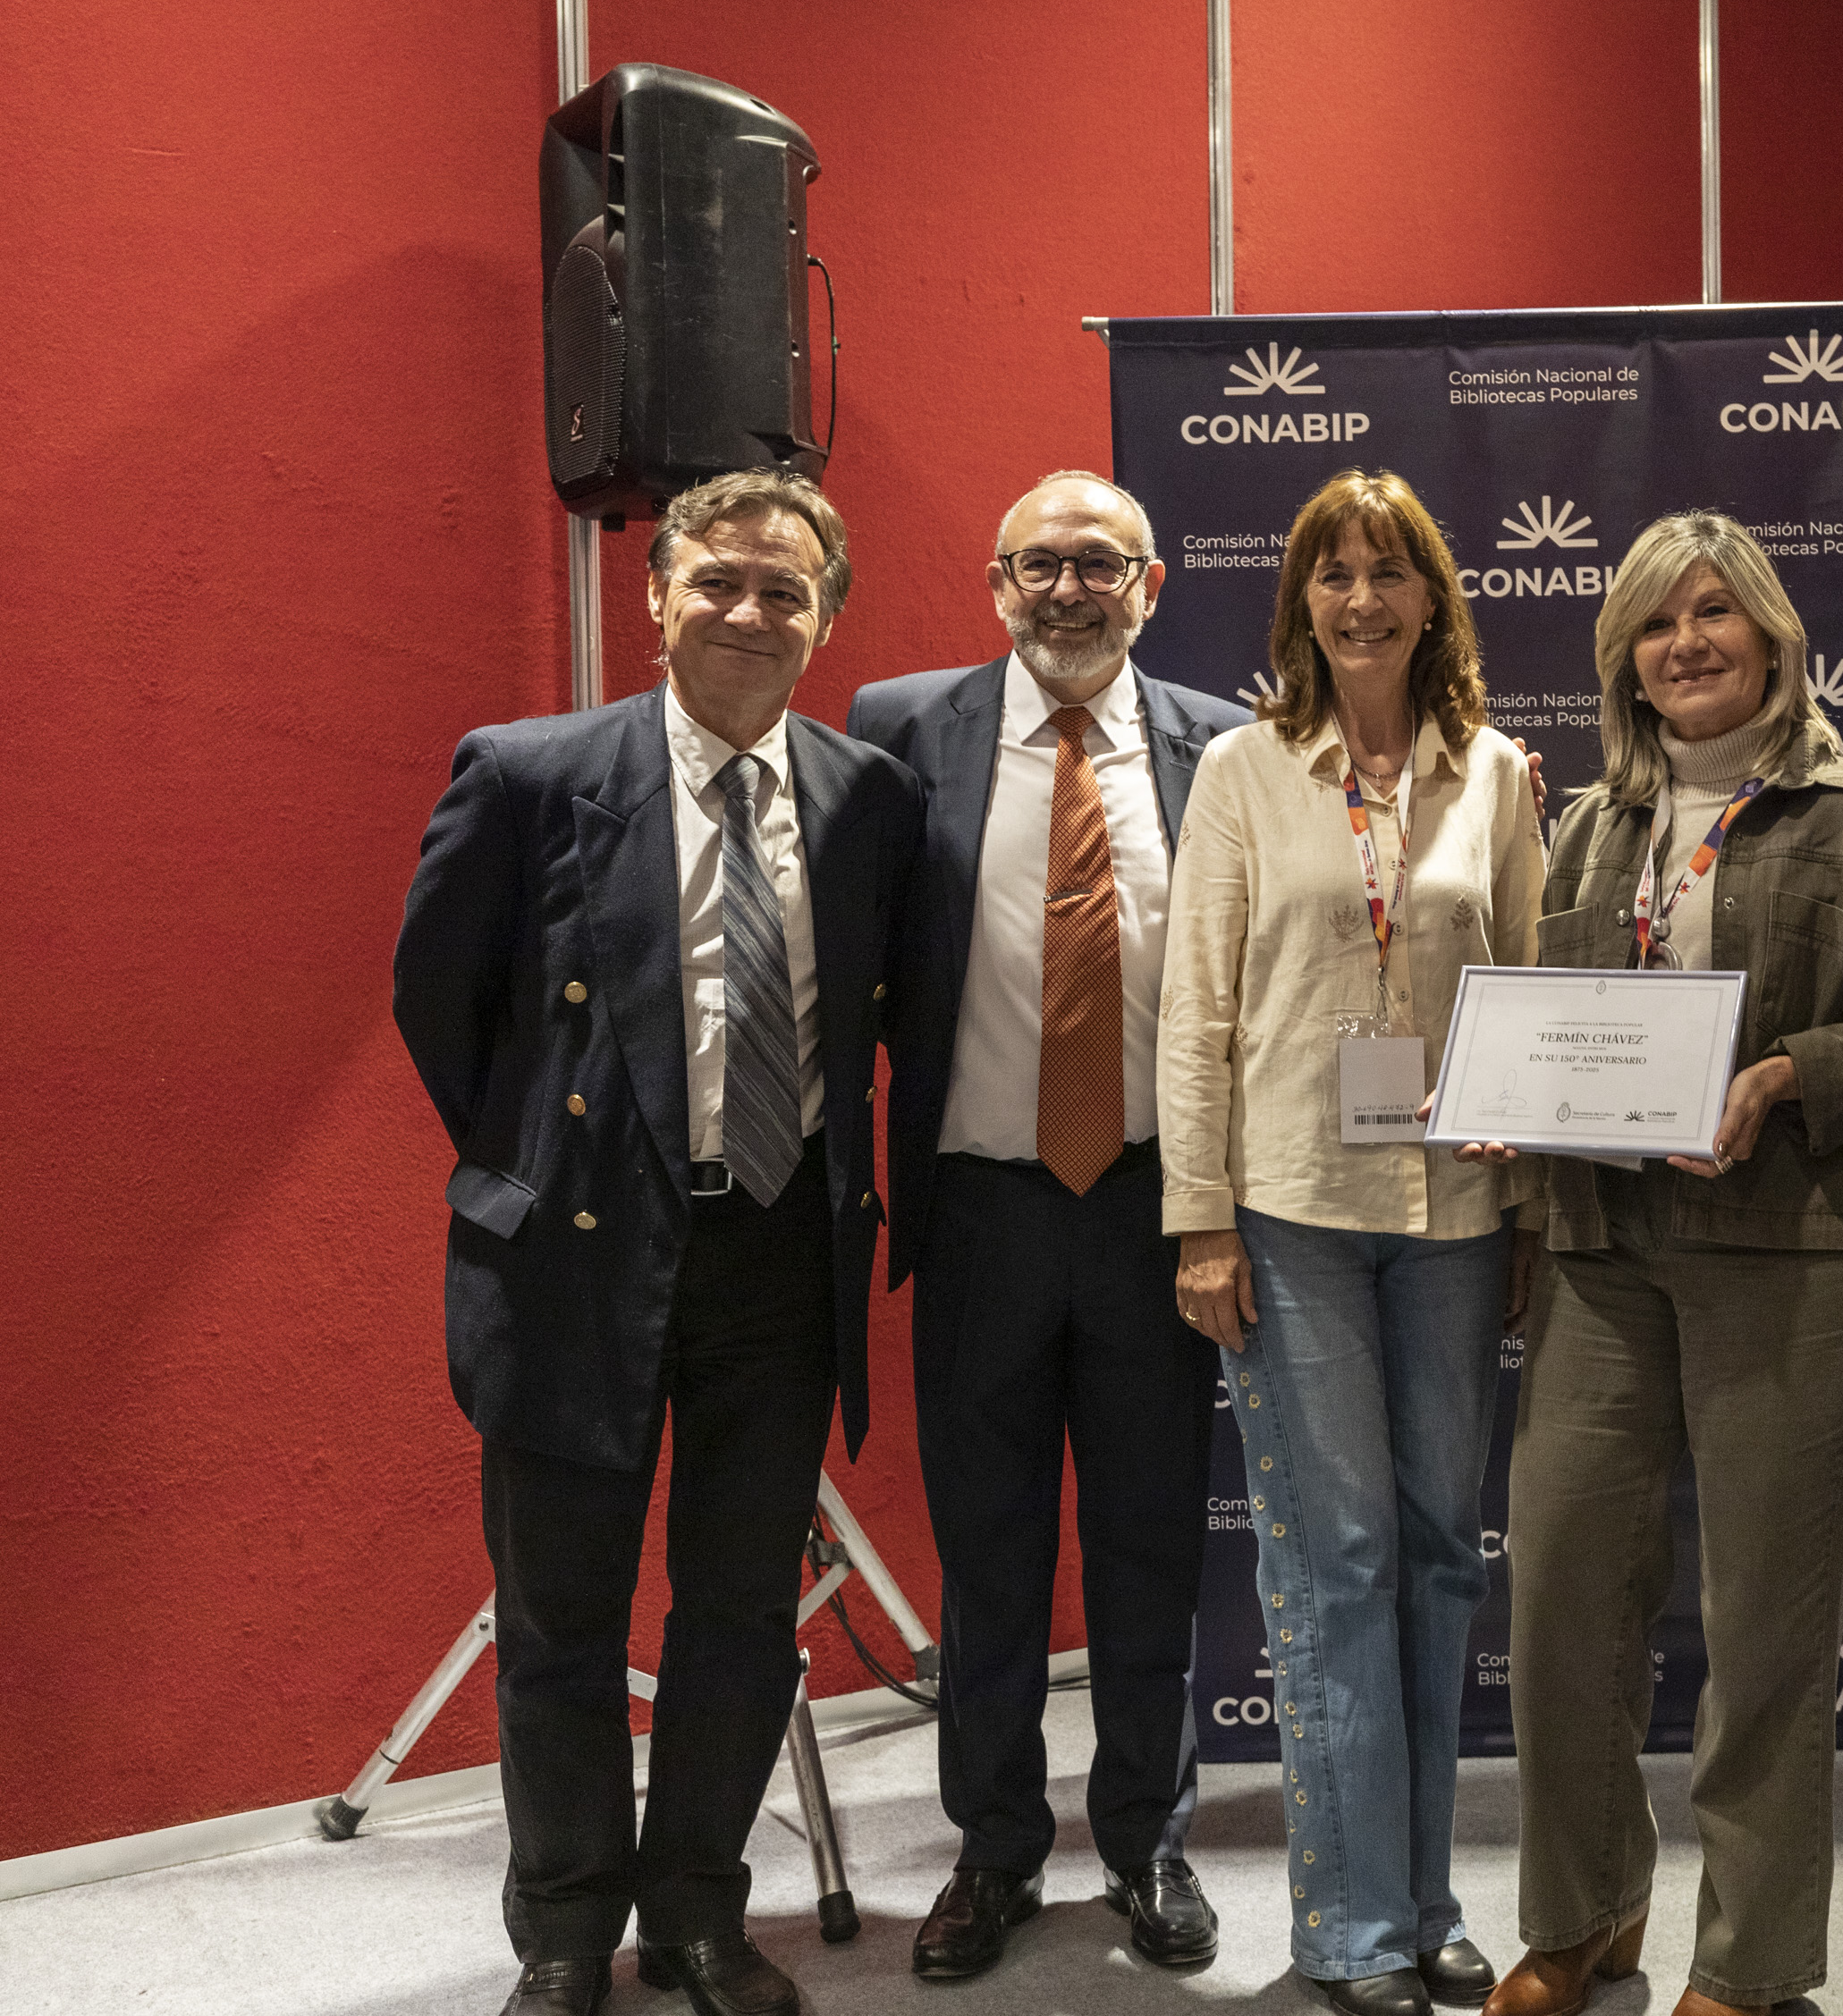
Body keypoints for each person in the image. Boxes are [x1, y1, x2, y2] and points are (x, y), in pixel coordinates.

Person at [393, 468, 917, 2016]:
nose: (749, 612)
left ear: (825, 620)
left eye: (784, 590)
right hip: (576, 1246)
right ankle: (563, 1931)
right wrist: (547, 1156)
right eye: (719, 582)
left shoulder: (870, 798)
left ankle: (697, 1911)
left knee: (742, 1609)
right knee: (559, 1616)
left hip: (779, 1253)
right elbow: (439, 998)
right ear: (656, 596)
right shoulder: (531, 773)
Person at [1465, 512, 1843, 2016]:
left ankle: (1749, 1962)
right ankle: (1584, 1912)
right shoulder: (1593, 822)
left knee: (1770, 1631)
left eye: (1716, 612)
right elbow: (1557, 1020)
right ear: (1624, 657)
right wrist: (1511, 1096)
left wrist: (1791, 1073)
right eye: (1658, 623)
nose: (1688, 643)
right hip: (1602, 1248)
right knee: (1561, 1596)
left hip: (1794, 1252)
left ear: (1774, 637)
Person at [844, 470, 1247, 1979]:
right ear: (995, 582)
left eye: (1099, 563)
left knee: (1150, 1544)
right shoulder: (899, 729)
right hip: (982, 1210)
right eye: (1039, 564)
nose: (1068, 590)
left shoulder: (1227, 745)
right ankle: (995, 1847)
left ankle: (1147, 1839)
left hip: (1159, 1207)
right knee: (990, 1552)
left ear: (1152, 584)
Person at [1155, 468, 1544, 2016]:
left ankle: (1428, 1901)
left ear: (1433, 596)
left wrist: (1532, 1204)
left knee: (1442, 1557)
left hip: (1457, 1218)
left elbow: (1529, 988)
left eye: (1390, 571)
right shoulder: (1244, 771)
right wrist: (1199, 1216)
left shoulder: (1496, 774)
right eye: (1335, 574)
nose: (1364, 599)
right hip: (1294, 1211)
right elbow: (1197, 1007)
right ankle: (1353, 1923)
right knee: (1342, 1561)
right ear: (1300, 602)